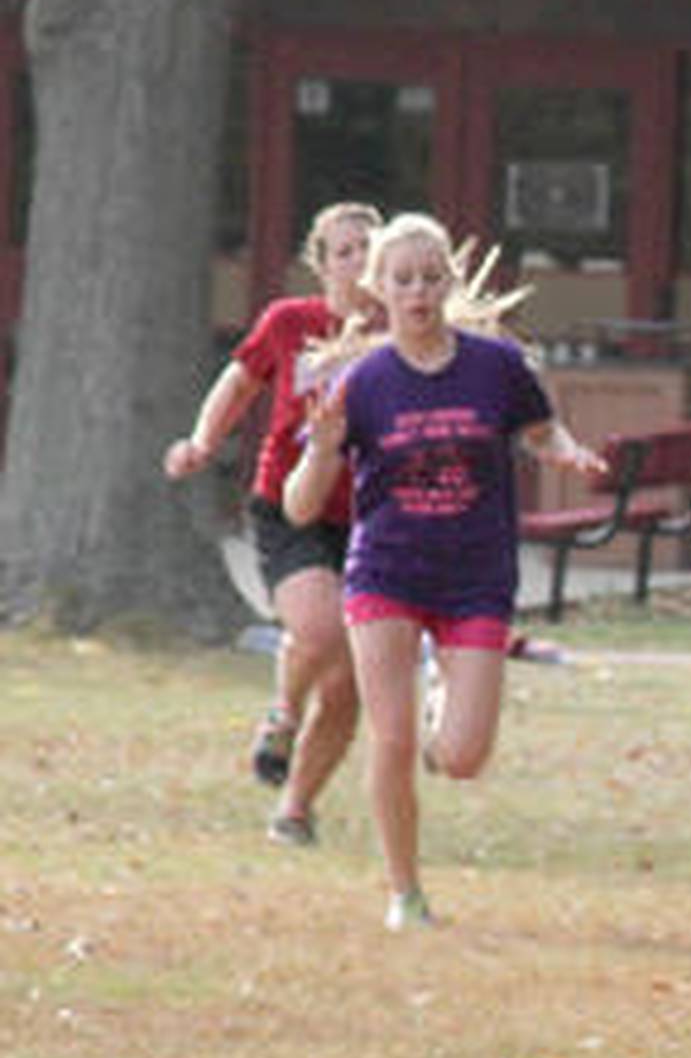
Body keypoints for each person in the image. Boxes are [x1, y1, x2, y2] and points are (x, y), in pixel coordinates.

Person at [283, 211, 606, 932]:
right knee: (390, 738)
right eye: (403, 279)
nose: (419, 292)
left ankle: (443, 702)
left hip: (476, 576)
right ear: (379, 290)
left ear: (450, 283)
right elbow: (301, 508)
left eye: (431, 277)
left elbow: (539, 425)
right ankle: (406, 894)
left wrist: (564, 450)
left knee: (461, 756)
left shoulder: (494, 366)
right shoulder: (360, 382)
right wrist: (323, 450)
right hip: (386, 574)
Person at [164, 201, 382, 845]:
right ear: (321, 265)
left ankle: (294, 808)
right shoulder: (291, 323)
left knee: (346, 687)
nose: (359, 261)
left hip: (374, 517)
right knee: (317, 627)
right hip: (291, 506)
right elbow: (237, 384)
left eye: (369, 248)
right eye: (344, 250)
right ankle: (283, 713)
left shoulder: (400, 333)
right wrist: (203, 442)